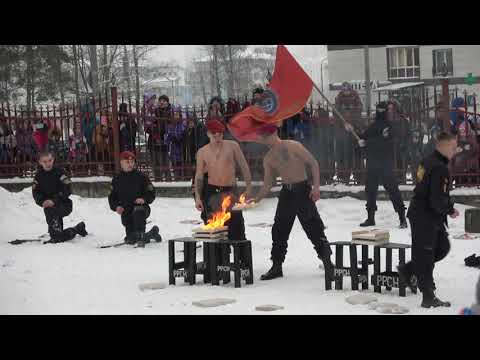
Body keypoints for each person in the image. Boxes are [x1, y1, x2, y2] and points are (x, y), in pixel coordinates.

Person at [248, 123, 334, 281]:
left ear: (274, 133)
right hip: (286, 193)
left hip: (302, 189)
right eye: (263, 137)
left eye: (267, 136)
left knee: (313, 226)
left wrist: (316, 187)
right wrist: (257, 198)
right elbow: (268, 183)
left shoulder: (293, 145)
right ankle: (276, 266)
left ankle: (328, 262)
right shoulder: (268, 158)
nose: (265, 140)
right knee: (279, 229)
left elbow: (313, 163)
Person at [398, 132, 460, 308]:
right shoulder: (440, 167)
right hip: (425, 215)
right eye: (453, 147)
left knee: (442, 247)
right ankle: (428, 297)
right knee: (425, 254)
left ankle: (409, 269)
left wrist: (446, 208)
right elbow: (436, 198)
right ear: (443, 146)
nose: (454, 151)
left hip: (426, 213)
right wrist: (449, 209)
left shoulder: (429, 160)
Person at [346, 101, 407, 228]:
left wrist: (367, 143)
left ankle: (402, 218)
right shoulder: (373, 126)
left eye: (384, 110)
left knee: (392, 189)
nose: (383, 113)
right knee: (370, 190)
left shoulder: (390, 127)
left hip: (385, 163)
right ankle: (370, 218)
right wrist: (353, 131)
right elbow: (363, 137)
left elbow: (386, 143)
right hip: (372, 163)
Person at [194, 118, 252, 243]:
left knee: (237, 228)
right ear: (208, 133)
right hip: (212, 191)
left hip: (230, 191)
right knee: (215, 230)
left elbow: (244, 166)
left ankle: (241, 260)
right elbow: (199, 176)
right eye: (214, 133)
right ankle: (218, 259)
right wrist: (198, 197)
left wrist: (249, 187)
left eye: (220, 133)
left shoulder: (232, 146)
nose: (217, 135)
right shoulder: (202, 152)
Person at [108, 151, 162, 247]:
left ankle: (141, 235)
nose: (130, 164)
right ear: (121, 163)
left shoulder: (141, 177)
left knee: (138, 211)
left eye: (132, 162)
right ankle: (152, 233)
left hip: (141, 209)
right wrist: (116, 207)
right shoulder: (116, 179)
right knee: (131, 239)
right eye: (127, 162)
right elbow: (112, 198)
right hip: (126, 211)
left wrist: (144, 199)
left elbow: (151, 192)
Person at [32, 150, 88, 243]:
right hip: (49, 206)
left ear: (53, 159)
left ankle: (71, 230)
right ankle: (70, 230)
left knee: (51, 211)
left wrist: (54, 200)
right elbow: (36, 192)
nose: (47, 163)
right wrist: (42, 201)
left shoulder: (61, 172)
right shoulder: (38, 176)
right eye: (44, 161)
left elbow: (67, 189)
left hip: (64, 204)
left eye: (49, 160)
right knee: (49, 210)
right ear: (40, 162)